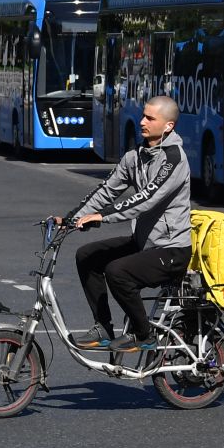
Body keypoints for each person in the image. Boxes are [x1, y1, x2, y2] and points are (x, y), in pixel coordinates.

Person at [61, 95, 191, 353]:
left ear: (168, 126)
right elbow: (107, 190)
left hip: (171, 249)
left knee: (117, 271)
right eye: (143, 115)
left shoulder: (174, 158)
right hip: (145, 243)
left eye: (150, 118)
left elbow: (147, 198)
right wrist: (71, 219)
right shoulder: (136, 155)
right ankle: (103, 328)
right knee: (87, 256)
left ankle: (144, 335)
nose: (142, 121)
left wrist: (103, 216)